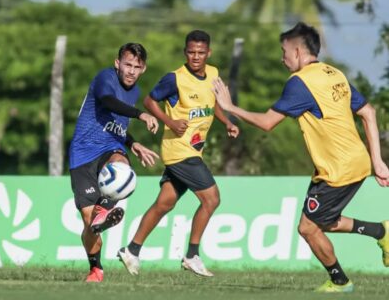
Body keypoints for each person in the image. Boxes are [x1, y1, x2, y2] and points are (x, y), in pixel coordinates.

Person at [212, 22, 389, 293]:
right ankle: (381, 232)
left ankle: (341, 282)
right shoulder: (334, 74)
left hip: (338, 169)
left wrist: (229, 107)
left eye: (283, 52)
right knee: (322, 220)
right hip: (353, 163)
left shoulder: (300, 82)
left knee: (308, 228)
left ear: (296, 51)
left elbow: (268, 122)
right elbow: (369, 112)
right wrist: (377, 161)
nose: (282, 59)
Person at [118, 30, 239, 277]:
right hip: (179, 151)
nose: (196, 57)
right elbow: (150, 101)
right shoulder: (174, 79)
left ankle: (131, 250)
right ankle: (192, 254)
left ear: (209, 53)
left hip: (194, 150)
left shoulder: (213, 73)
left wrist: (226, 121)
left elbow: (212, 102)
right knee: (212, 199)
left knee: (165, 203)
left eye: (201, 53)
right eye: (191, 52)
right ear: (185, 52)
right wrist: (170, 123)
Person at [69, 42, 159, 283]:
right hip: (83, 154)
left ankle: (105, 207)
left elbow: (116, 126)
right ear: (117, 63)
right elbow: (108, 102)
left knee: (123, 170)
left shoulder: (134, 91)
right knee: (89, 224)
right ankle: (96, 269)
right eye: (127, 65)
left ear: (143, 69)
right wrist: (141, 114)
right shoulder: (104, 78)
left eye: (136, 67)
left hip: (110, 148)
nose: (131, 71)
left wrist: (133, 144)